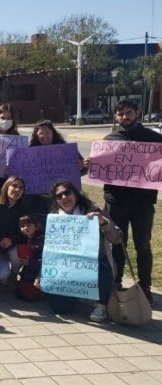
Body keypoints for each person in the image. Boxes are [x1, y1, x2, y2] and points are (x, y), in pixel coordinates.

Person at [87, 99, 162, 305]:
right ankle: (117, 281)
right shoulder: (109, 140)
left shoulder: (153, 140)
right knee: (117, 244)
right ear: (115, 116)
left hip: (142, 203)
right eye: (120, 114)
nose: (124, 117)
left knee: (143, 245)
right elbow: (97, 169)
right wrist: (91, 164)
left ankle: (145, 286)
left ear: (137, 113)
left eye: (129, 112)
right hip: (115, 201)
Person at [47, 180, 120, 322]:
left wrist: (103, 223)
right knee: (59, 308)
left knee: (103, 268)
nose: (64, 198)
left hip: (95, 263)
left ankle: (102, 304)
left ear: (75, 194)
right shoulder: (55, 217)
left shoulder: (92, 211)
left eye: (67, 193)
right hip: (67, 268)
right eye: (59, 196)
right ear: (56, 200)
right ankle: (78, 293)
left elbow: (116, 239)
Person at [27, 119, 85, 222]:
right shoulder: (29, 152)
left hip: (63, 196)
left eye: (48, 132)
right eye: (41, 133)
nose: (45, 135)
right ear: (36, 135)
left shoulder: (67, 150)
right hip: (40, 199)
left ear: (53, 133)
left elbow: (83, 170)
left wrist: (82, 167)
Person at [0, 176, 29, 283]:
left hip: (12, 247)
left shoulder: (24, 209)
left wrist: (11, 240)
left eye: (21, 188)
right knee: (1, 275)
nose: (17, 190)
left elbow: (23, 234)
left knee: (18, 250)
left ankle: (14, 273)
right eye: (14, 186)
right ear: (6, 187)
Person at [13, 215, 44, 301]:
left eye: (29, 225)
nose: (25, 228)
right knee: (19, 293)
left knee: (29, 296)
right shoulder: (26, 238)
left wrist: (29, 262)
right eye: (22, 226)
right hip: (30, 270)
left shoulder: (42, 240)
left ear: (37, 226)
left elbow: (44, 262)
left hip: (39, 273)